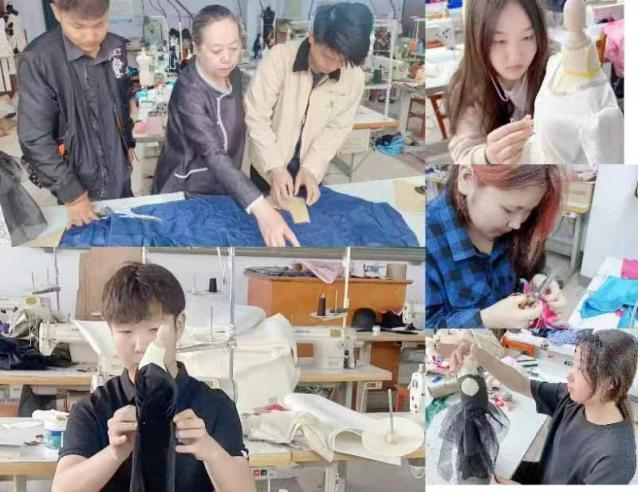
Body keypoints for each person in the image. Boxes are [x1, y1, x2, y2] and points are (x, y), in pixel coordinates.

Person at [52, 263, 255, 492]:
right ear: (110, 331)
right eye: (125, 331)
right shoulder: (94, 408)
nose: (140, 346)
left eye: (153, 330)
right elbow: (62, 488)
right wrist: (114, 453)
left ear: (179, 325)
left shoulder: (215, 405)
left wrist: (210, 451)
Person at [152, 6, 298, 248]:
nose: (227, 58)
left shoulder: (234, 74)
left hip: (224, 186)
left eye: (234, 48)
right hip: (187, 190)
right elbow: (212, 152)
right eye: (216, 50)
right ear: (196, 48)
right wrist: (261, 208)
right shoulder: (188, 90)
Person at [449, 329, 638, 485]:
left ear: (610, 383)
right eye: (573, 364)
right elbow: (523, 385)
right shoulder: (572, 399)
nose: (569, 376)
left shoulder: (616, 458)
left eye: (581, 370)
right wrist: (478, 355)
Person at [18, 0, 136, 229]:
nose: (91, 36)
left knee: (125, 232)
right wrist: (72, 194)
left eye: (99, 24)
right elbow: (34, 138)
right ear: (57, 13)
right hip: (76, 177)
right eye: (79, 26)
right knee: (89, 241)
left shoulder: (115, 47)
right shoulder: (39, 60)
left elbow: (122, 101)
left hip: (119, 169)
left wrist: (128, 142)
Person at [245, 2, 373, 206]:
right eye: (328, 57)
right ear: (312, 35)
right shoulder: (279, 58)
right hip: (268, 166)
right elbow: (256, 115)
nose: (334, 66)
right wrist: (275, 166)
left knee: (306, 220)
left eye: (342, 61)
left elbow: (337, 128)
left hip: (309, 174)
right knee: (264, 220)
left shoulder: (354, 77)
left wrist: (312, 168)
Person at [426, 165, 566, 329]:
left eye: (529, 210)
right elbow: (422, 330)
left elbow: (530, 268)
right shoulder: (425, 241)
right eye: (508, 210)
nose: (516, 224)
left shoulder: (523, 225)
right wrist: (485, 319)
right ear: (467, 179)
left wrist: (537, 280)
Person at [446, 0, 549, 164]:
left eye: (527, 37)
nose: (515, 57)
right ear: (476, 38)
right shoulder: (469, 85)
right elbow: (463, 152)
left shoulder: (555, 67)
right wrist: (487, 156)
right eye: (499, 40)